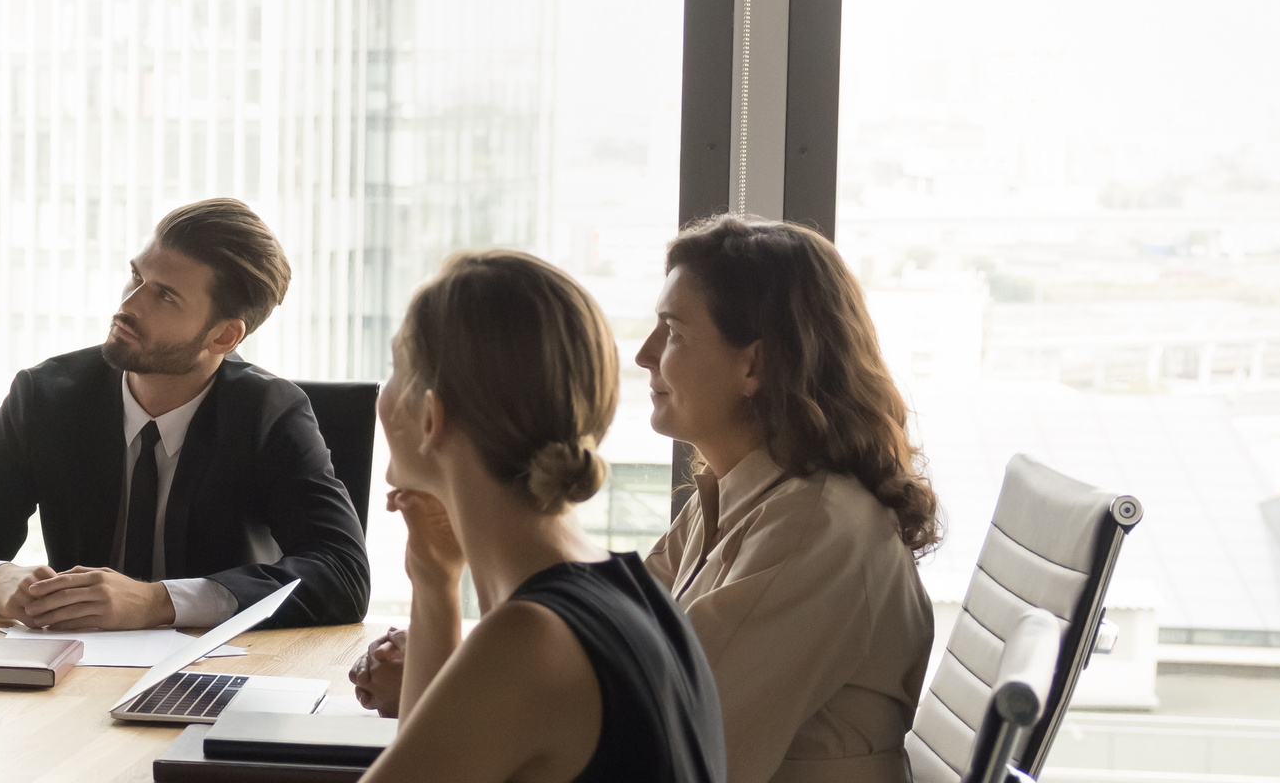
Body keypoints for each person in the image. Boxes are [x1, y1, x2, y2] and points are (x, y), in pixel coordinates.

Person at [0, 198, 368, 631]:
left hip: (217, 676)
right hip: (75, 675)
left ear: (224, 336)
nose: (128, 306)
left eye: (166, 297)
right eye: (136, 277)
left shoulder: (269, 414)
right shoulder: (46, 397)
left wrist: (159, 603)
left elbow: (341, 572)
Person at [362, 250, 721, 783]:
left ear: (432, 418)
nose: (382, 394)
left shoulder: (529, 641)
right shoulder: (629, 593)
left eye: (395, 370)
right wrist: (434, 584)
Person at [633, 214, 940, 783]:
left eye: (673, 332)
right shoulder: (741, 490)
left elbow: (677, 745)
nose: (645, 354)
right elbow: (622, 625)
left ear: (754, 364)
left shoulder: (811, 527)